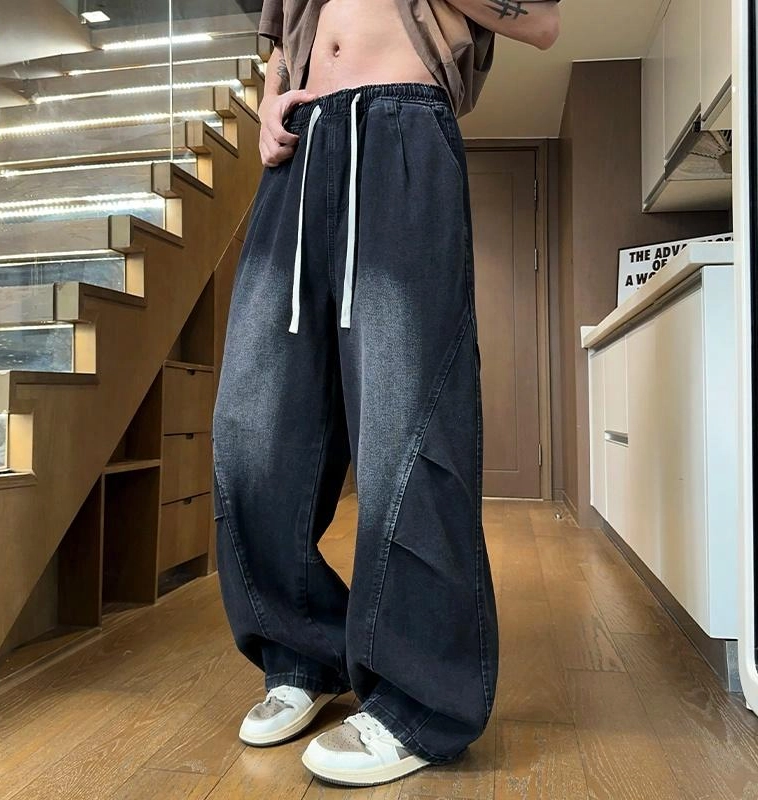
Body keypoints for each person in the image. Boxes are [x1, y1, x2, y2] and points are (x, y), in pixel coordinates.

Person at [212, 0, 561, 787]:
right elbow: (279, 36)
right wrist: (270, 101)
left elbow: (541, 21)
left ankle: (419, 702)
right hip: (301, 152)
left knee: (407, 425)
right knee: (251, 427)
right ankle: (302, 650)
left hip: (404, 131)